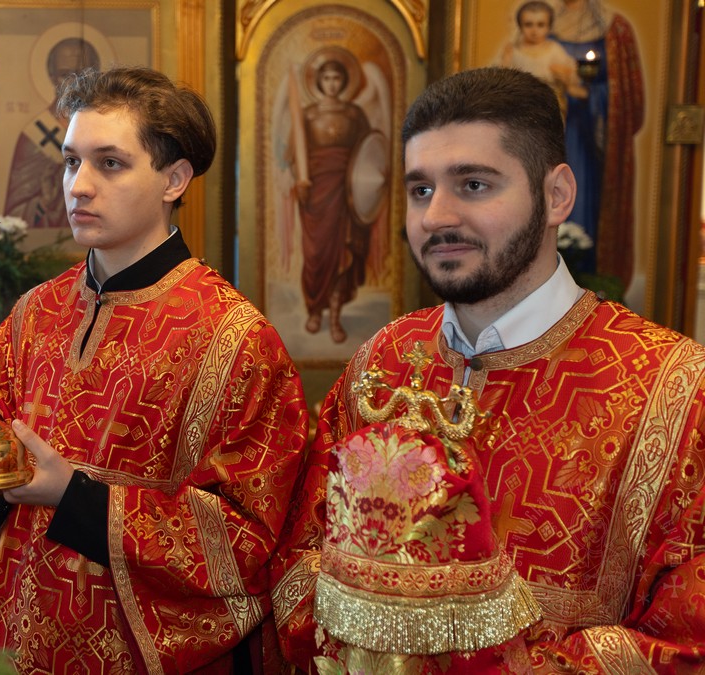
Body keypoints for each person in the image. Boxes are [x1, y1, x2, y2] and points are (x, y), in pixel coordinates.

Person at [272, 67, 705, 672]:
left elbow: (686, 638)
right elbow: (299, 555)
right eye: (420, 190)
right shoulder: (383, 360)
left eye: (473, 184)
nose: (436, 216)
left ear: (557, 196)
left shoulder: (675, 390)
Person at [0, 66, 309, 672]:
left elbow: (247, 539)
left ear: (174, 179)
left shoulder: (235, 340)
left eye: (109, 163)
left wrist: (73, 496)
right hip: (13, 643)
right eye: (71, 162)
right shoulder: (36, 312)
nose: (79, 186)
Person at [552, 0, 643, 282]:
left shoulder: (614, 28)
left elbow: (629, 99)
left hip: (589, 136)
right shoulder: (542, 21)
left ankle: (587, 273)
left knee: (584, 198)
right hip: (551, 129)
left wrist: (591, 93)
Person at [287, 54, 372, 344]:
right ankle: (315, 311)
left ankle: (334, 317)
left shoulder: (354, 114)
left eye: (337, 78)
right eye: (326, 78)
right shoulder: (308, 115)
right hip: (316, 193)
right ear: (319, 82)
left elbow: (369, 152)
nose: (332, 84)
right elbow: (294, 155)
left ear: (344, 81)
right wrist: (300, 180)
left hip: (348, 191)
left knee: (343, 254)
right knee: (317, 256)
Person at [1, 36, 101, 230]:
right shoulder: (34, 135)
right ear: (52, 76)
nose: (73, 83)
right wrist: (44, 202)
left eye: (81, 74)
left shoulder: (108, 130)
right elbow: (15, 214)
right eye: (65, 74)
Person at [498, 1, 587, 107]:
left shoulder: (553, 49)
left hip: (550, 102)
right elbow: (504, 78)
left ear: (549, 27)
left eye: (540, 25)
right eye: (528, 24)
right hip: (522, 103)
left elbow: (571, 74)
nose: (534, 30)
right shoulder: (514, 51)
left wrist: (564, 74)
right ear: (520, 26)